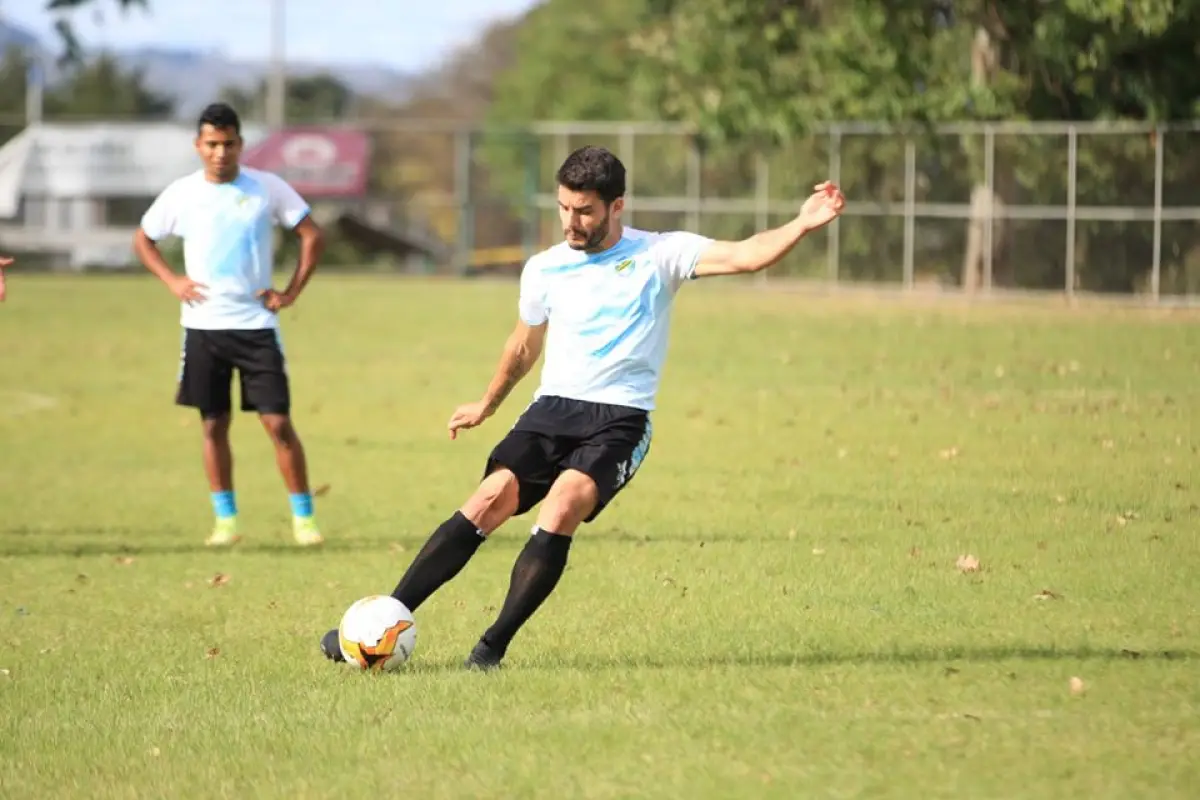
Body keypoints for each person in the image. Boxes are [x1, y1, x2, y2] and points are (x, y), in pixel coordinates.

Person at [320, 145, 845, 670]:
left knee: (562, 506)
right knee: (485, 502)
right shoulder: (545, 268)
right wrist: (486, 403)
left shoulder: (661, 253)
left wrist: (801, 223)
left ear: (617, 206)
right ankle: (379, 624)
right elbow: (523, 347)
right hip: (550, 411)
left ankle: (489, 650)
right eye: (564, 208)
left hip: (619, 418)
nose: (572, 221)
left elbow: (746, 255)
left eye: (585, 211)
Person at [133, 102, 326, 548]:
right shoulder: (181, 194)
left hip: (256, 326)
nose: (221, 152)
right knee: (212, 425)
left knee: (277, 423)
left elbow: (311, 234)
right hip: (203, 328)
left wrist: (291, 292)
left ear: (241, 144)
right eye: (212, 144)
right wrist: (172, 280)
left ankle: (304, 519)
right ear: (199, 146)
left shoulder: (267, 188)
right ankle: (226, 521)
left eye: (229, 143)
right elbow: (144, 239)